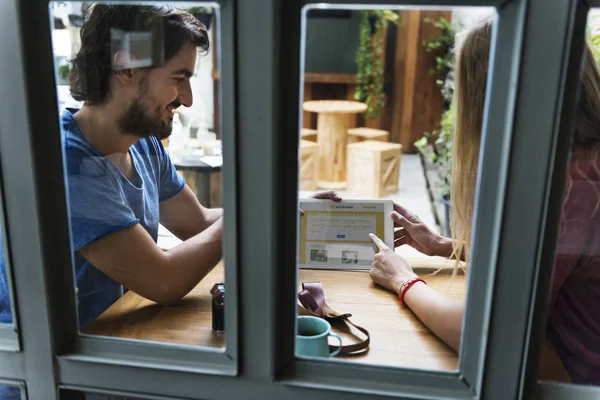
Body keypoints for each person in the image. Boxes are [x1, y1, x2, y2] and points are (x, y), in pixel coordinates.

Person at [368, 19, 600, 384]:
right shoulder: (580, 165)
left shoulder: (573, 187)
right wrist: (444, 246)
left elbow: (482, 334)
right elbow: (541, 266)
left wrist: (403, 279)